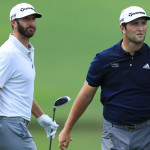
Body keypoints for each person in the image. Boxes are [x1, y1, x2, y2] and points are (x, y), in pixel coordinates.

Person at [58, 6, 150, 150]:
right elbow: (86, 96)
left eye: (143, 23)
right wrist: (67, 128)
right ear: (123, 28)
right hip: (114, 133)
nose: (141, 28)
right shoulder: (104, 59)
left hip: (146, 134)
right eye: (134, 24)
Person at [0, 3, 59, 150]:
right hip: (9, 124)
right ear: (13, 22)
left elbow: (20, 90)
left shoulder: (26, 52)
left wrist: (40, 116)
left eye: (33, 19)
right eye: (26, 19)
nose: (31, 23)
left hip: (15, 124)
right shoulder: (8, 53)